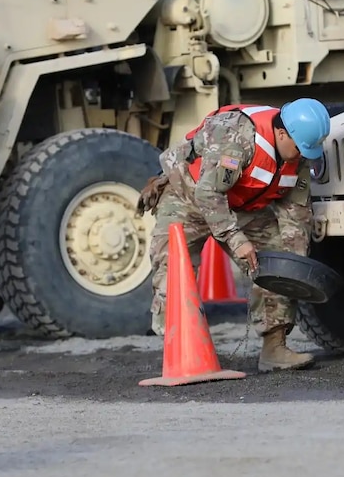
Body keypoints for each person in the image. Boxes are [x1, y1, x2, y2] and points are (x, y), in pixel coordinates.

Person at [139, 98, 331, 373]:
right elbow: (208, 193)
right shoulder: (236, 136)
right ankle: (182, 354)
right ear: (281, 133)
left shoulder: (296, 153)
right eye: (300, 148)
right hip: (186, 197)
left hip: (241, 206)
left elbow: (296, 213)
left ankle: (274, 349)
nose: (302, 156)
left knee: (276, 260)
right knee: (172, 269)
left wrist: (295, 265)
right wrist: (236, 239)